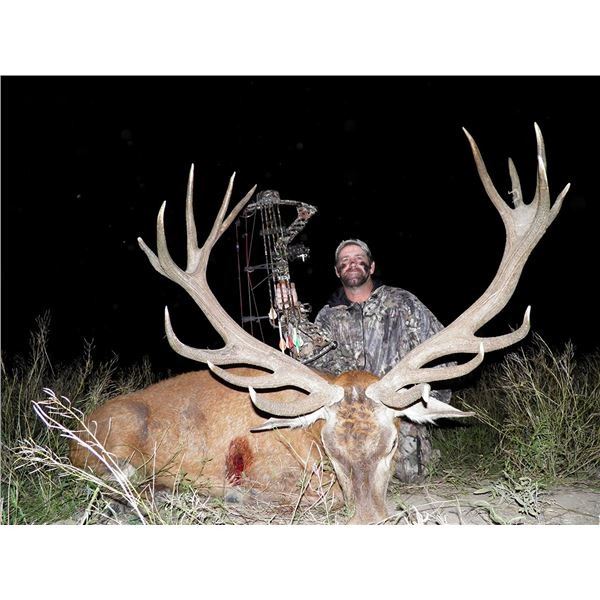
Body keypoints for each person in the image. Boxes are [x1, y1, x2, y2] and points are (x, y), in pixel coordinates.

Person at [277, 239, 452, 483]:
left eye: (359, 259)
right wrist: (291, 319)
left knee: (411, 473)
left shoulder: (403, 303)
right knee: (333, 474)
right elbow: (312, 364)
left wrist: (423, 401)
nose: (352, 263)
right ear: (337, 271)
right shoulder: (327, 317)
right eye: (345, 261)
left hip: (392, 411)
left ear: (371, 267)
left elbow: (440, 351)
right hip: (350, 418)